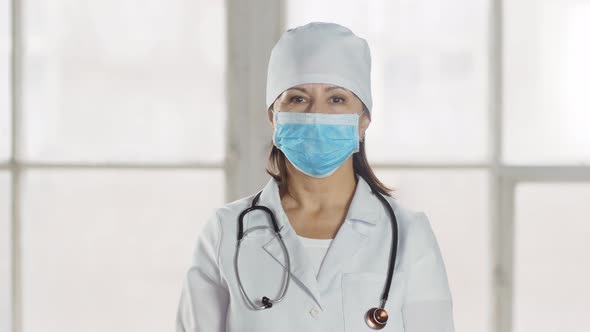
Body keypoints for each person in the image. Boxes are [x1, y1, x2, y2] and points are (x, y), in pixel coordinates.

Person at [176, 22, 455, 332]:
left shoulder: (408, 234)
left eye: (336, 99)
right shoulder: (226, 231)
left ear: (363, 120)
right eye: (297, 99)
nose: (316, 113)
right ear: (274, 117)